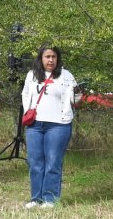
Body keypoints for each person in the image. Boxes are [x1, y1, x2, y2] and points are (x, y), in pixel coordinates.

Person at [21, 46, 79, 209]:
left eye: (53, 57)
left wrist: (78, 96)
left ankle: (50, 199)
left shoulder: (66, 76)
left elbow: (75, 100)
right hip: (34, 125)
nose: (50, 60)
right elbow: (25, 94)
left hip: (58, 125)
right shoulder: (31, 75)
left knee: (53, 162)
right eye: (47, 56)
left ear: (58, 59)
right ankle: (36, 198)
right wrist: (28, 110)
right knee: (35, 162)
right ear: (41, 59)